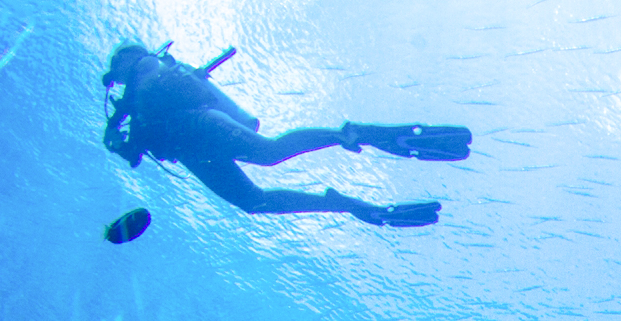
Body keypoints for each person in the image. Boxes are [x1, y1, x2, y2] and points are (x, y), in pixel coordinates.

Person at [101, 41, 470, 227]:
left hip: (197, 125)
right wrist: (119, 140)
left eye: (116, 65)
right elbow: (134, 156)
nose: (114, 73)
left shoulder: (145, 68)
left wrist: (118, 120)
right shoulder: (133, 102)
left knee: (268, 153)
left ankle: (351, 133)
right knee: (253, 202)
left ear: (126, 59)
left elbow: (148, 100)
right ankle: (343, 203)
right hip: (194, 151)